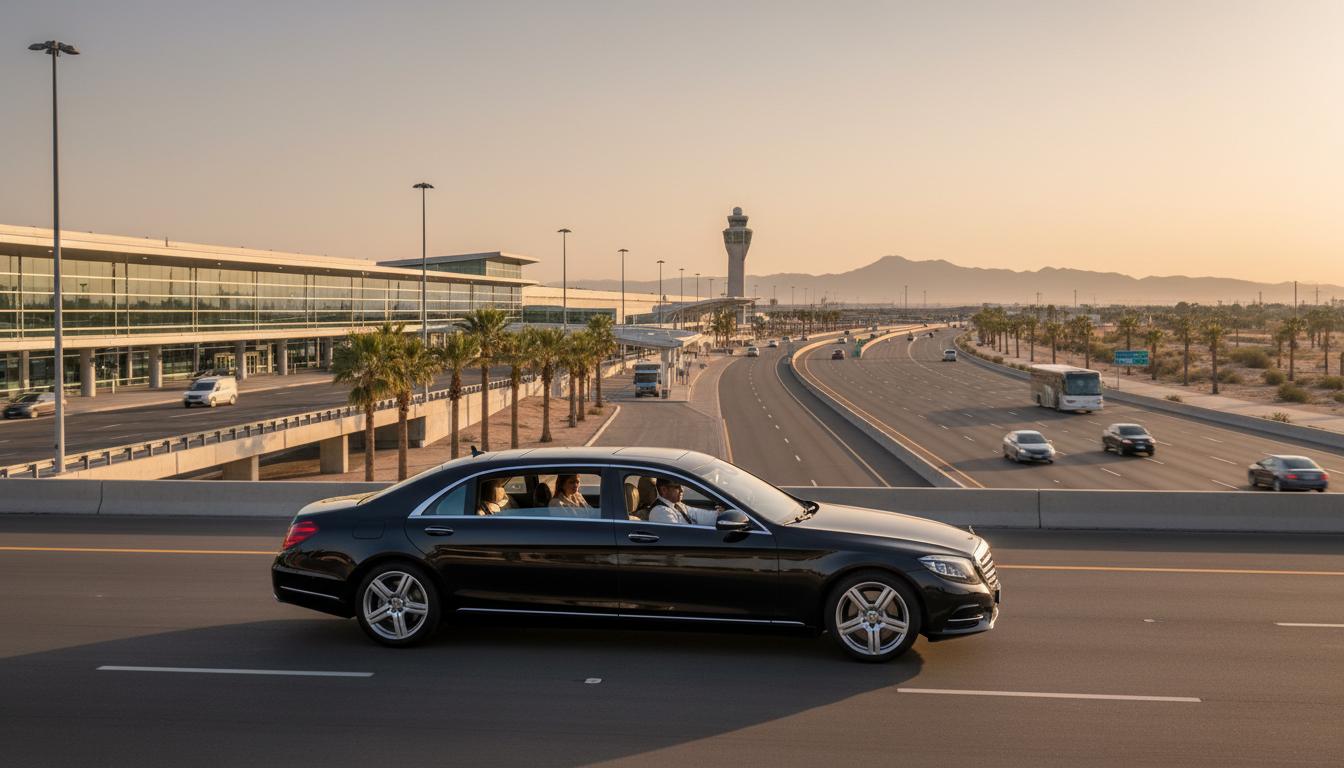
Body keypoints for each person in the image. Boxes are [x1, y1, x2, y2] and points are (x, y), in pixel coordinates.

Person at [649, 477, 714, 526]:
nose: (682, 490)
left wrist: (719, 514)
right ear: (664, 490)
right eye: (677, 487)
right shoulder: (660, 512)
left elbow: (697, 514)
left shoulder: (677, 504)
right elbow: (680, 535)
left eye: (682, 486)